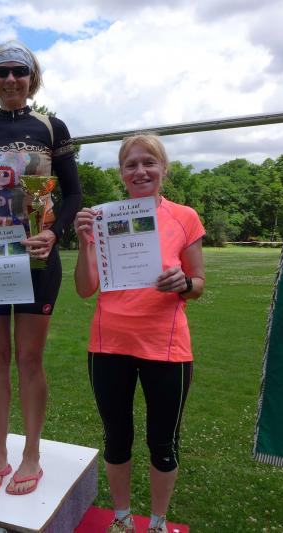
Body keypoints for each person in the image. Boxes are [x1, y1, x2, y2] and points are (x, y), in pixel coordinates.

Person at [0, 41, 82, 496]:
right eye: (2, 72)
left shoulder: (51, 127)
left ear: (32, 77)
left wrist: (55, 233)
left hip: (37, 256)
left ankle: (31, 454)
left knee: (29, 359)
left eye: (18, 71)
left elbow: (73, 194)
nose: (10, 79)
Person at [73, 134, 205, 533]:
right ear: (121, 173)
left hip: (167, 348)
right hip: (109, 345)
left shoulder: (184, 217)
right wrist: (83, 242)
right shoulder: (101, 218)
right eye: (131, 164)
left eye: (149, 162)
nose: (140, 171)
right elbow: (85, 288)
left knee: (163, 443)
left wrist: (184, 282)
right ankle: (122, 518)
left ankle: (158, 523)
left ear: (163, 168)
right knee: (117, 438)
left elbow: (198, 284)